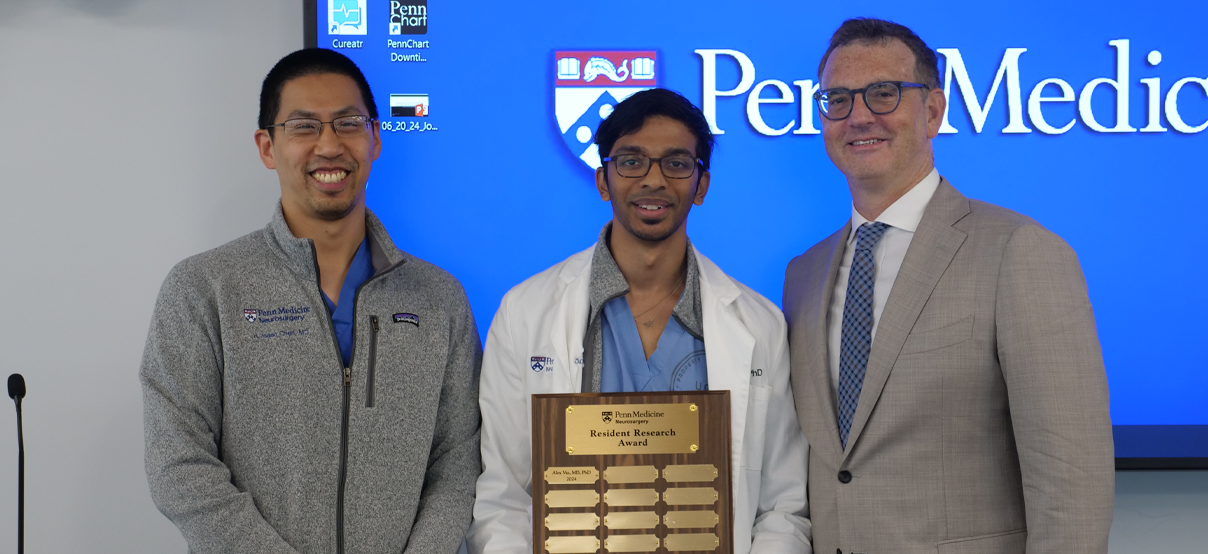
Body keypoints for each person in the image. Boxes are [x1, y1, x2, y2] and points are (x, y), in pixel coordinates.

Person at [784, 18, 1115, 554]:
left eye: (884, 94)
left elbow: (1072, 486)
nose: (858, 115)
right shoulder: (804, 274)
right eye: (837, 99)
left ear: (933, 111)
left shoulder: (1019, 252)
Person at [140, 48, 481, 554]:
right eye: (303, 127)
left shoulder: (439, 298)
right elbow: (178, 465)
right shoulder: (203, 288)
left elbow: (458, 460)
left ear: (375, 139)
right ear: (266, 146)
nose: (329, 145)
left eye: (348, 123)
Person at [467, 88, 811, 554]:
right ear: (603, 181)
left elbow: (782, 505)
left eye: (676, 163)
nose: (654, 180)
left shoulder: (760, 325)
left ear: (701, 185)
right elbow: (503, 496)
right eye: (631, 161)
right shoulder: (525, 312)